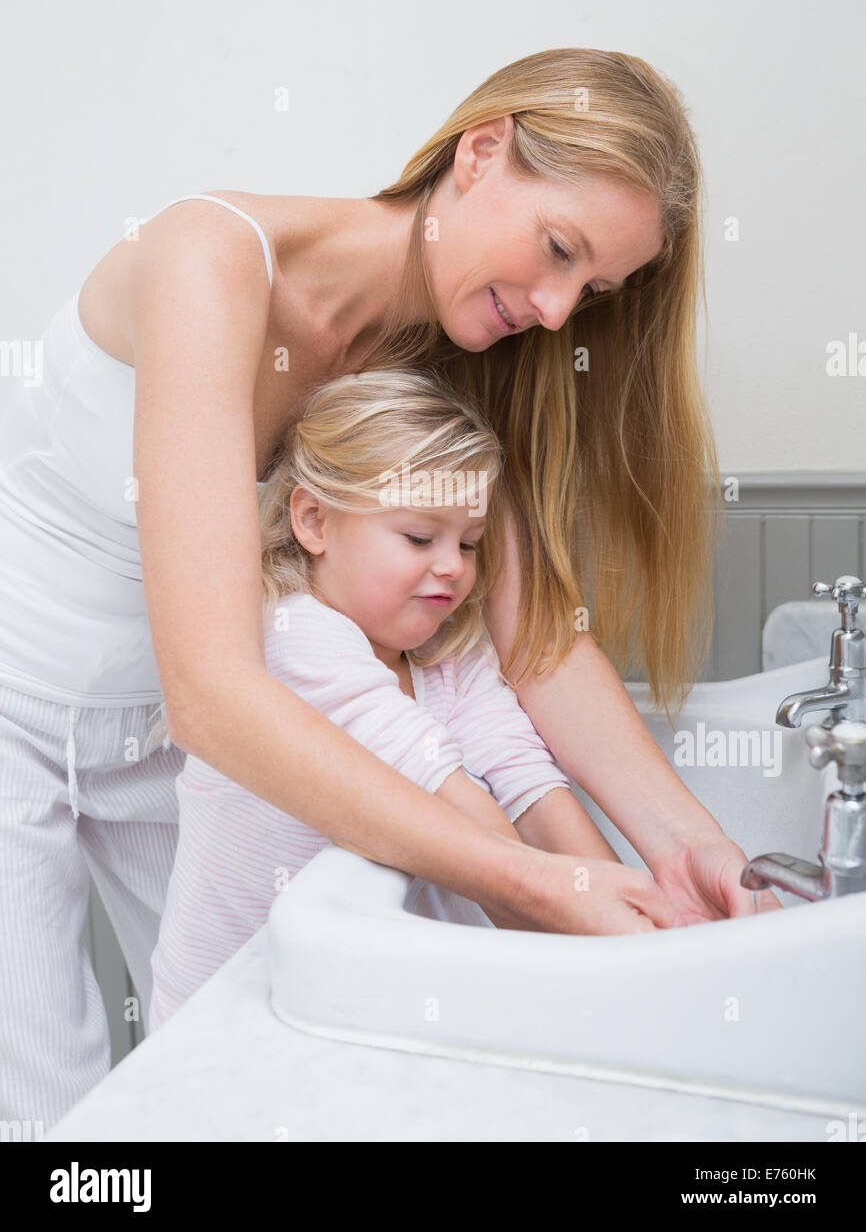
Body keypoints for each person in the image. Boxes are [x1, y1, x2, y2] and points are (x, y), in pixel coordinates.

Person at [0, 47, 779, 1131]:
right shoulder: (207, 262)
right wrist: (538, 885)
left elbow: (533, 642)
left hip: (187, 752)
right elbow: (214, 692)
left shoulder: (447, 360)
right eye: (557, 249)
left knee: (231, 1083)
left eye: (590, 289)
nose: (557, 311)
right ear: (480, 151)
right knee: (47, 1112)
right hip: (34, 712)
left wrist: (691, 848)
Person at [147, 368, 694, 1028]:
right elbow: (472, 825)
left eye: (468, 542)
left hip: (358, 1005)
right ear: (314, 521)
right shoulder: (292, 639)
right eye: (418, 538)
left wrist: (651, 946)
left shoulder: (445, 646)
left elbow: (531, 791)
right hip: (233, 1023)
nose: (454, 568)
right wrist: (625, 976)